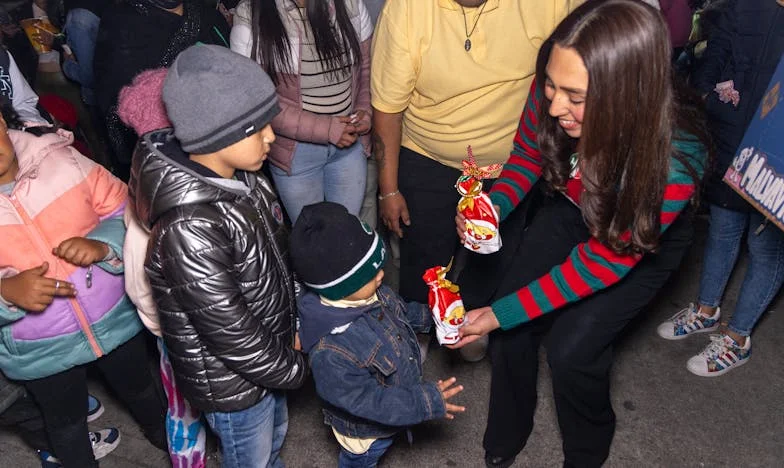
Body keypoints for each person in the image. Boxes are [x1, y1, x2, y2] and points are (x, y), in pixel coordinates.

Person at [450, 1, 709, 466]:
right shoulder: (560, 78)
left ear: (627, 93)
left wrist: (498, 314)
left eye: (573, 95)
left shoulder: (674, 160)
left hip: (637, 240)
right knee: (513, 320)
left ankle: (585, 454)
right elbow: (530, 156)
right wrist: (491, 208)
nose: (553, 104)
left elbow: (601, 261)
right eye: (549, 85)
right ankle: (506, 436)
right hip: (573, 208)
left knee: (572, 352)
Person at [131, 44, 309, 468]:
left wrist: (296, 321)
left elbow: (279, 260)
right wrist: (293, 368)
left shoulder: (246, 179)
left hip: (267, 359)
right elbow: (229, 329)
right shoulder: (189, 226)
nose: (272, 136)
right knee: (251, 456)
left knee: (274, 440)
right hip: (233, 384)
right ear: (216, 134)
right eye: (258, 128)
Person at [370, 0, 580, 344]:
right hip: (429, 160)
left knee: (497, 258)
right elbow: (387, 110)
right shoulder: (406, 9)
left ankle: (472, 321)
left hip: (514, 166)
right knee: (425, 261)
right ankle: (418, 334)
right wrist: (389, 189)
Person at [0, 103, 166, 468]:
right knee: (66, 424)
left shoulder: (63, 161)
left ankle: (169, 439)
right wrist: (6, 293)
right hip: (40, 350)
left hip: (115, 318)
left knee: (142, 388)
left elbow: (128, 208)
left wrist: (102, 244)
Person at [656, 0, 784, 377]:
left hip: (776, 155)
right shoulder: (747, 5)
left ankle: (738, 337)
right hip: (730, 135)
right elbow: (716, 51)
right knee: (723, 229)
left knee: (766, 246)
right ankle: (706, 310)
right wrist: (708, 95)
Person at [289, 202, 465, 468]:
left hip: (396, 399)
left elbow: (401, 312)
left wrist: (439, 318)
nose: (382, 274)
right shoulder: (331, 350)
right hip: (367, 438)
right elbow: (370, 402)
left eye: (379, 266)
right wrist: (424, 402)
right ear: (340, 288)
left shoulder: (370, 293)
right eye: (369, 274)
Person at [117, 68, 208, 468]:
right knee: (185, 409)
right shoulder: (147, 211)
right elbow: (138, 286)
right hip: (180, 337)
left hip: (215, 331)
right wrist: (166, 330)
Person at [231, 0, 373, 223]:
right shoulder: (251, 15)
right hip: (296, 155)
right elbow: (258, 101)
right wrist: (327, 129)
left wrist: (365, 110)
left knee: (348, 235)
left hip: (349, 144)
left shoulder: (349, 5)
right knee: (312, 241)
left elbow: (366, 68)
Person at [94, 0, 230, 180]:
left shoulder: (207, 15)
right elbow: (117, 105)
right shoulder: (121, 27)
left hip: (232, 137)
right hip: (174, 163)